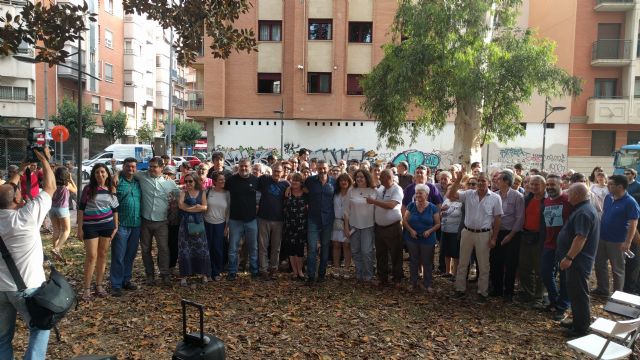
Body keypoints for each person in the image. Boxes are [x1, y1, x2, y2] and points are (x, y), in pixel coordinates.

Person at [0, 148, 54, 359]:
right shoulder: (27, 217)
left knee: (2, 338)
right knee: (40, 329)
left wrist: (21, 168)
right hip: (26, 288)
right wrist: (44, 160)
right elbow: (50, 187)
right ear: (16, 200)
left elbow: (7, 192)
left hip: (0, 290)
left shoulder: (19, 212)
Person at [447, 170, 502, 303]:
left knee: (483, 265)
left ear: (488, 183)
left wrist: (494, 238)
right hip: (467, 232)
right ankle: (460, 290)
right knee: (463, 263)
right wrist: (458, 180)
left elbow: (498, 218)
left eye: (484, 180)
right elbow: (450, 195)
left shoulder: (495, 198)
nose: (481, 183)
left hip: (484, 234)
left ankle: (482, 292)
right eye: (479, 181)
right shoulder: (468, 194)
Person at [557, 183, 600, 338]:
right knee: (575, 293)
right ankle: (578, 320)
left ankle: (581, 328)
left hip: (578, 261)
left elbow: (581, 237)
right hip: (577, 261)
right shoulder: (582, 208)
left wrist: (569, 257)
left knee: (579, 294)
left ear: (576, 195)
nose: (567, 195)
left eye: (569, 192)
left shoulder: (584, 212)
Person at [131, 157, 180, 286]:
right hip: (145, 220)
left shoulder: (169, 183)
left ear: (161, 168)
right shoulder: (142, 176)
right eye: (150, 166)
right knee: (146, 249)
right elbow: (127, 172)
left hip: (162, 221)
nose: (151, 169)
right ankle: (150, 275)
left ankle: (164, 275)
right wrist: (117, 174)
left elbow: (180, 195)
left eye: (154, 166)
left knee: (163, 248)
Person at [592, 174, 640, 296]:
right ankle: (602, 289)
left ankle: (617, 294)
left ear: (620, 186)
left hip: (618, 241)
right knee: (599, 264)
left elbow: (633, 223)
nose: (607, 186)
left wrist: (627, 242)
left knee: (617, 269)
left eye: (611, 184)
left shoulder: (630, 202)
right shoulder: (608, 197)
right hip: (602, 237)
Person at [78, 163, 119, 301]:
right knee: (91, 256)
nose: (100, 175)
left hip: (107, 226)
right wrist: (79, 228)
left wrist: (116, 226)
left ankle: (99, 285)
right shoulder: (88, 189)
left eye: (102, 172)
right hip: (90, 227)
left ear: (107, 173)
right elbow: (81, 208)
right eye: (97, 172)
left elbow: (114, 209)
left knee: (103, 255)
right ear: (93, 175)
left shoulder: (111, 189)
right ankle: (86, 288)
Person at [489, 171, 524, 302]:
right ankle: (497, 289)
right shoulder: (494, 195)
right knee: (495, 261)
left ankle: (508, 292)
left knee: (510, 263)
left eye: (499, 180)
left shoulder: (517, 196)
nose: (496, 181)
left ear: (506, 182)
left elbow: (520, 218)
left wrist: (510, 235)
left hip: (512, 234)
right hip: (496, 232)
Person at [541, 174, 572, 320]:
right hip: (549, 244)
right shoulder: (546, 201)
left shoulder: (568, 200)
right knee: (545, 273)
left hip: (564, 246)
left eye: (552, 184)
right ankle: (554, 299)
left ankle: (563, 306)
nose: (549, 187)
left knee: (565, 278)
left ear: (561, 185)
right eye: (547, 185)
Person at [110, 157, 141, 297]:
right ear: (123, 167)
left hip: (136, 224)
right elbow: (111, 202)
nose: (131, 169)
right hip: (121, 224)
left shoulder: (138, 182)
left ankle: (126, 279)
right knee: (118, 255)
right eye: (128, 166)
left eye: (133, 167)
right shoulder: (117, 181)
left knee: (130, 255)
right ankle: (116, 284)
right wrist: (115, 174)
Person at [367, 169, 404, 287]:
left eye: (381, 177)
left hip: (392, 227)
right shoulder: (381, 189)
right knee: (381, 254)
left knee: (395, 254)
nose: (379, 178)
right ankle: (383, 277)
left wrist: (374, 201)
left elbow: (391, 205)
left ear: (388, 177)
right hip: (380, 228)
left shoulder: (397, 189)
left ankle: (397, 278)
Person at [225, 158, 260, 280]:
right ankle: (232, 272)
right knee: (233, 247)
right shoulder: (231, 180)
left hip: (251, 220)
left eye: (246, 166)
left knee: (253, 247)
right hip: (235, 220)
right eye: (241, 166)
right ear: (238, 167)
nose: (243, 168)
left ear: (250, 167)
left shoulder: (256, 181)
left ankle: (254, 271)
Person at [403, 184, 440, 292]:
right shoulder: (411, 205)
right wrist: (411, 230)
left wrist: (429, 231)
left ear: (427, 194)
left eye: (421, 193)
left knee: (427, 262)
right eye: (417, 193)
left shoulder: (433, 207)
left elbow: (438, 224)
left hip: (428, 239)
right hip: (412, 238)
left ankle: (427, 284)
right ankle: (413, 283)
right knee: (414, 261)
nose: (418, 195)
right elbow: (404, 220)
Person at [304, 159, 335, 284]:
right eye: (320, 168)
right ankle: (311, 276)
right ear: (316, 169)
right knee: (311, 248)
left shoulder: (334, 182)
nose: (322, 170)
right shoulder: (310, 181)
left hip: (328, 219)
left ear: (328, 169)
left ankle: (322, 275)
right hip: (313, 218)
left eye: (324, 168)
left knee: (325, 247)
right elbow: (302, 190)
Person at [257, 163, 289, 281]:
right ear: (271, 171)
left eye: (279, 171)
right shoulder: (264, 179)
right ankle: (263, 269)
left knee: (276, 246)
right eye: (275, 171)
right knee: (263, 245)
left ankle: (274, 268)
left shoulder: (286, 184)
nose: (276, 173)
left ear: (282, 172)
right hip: (263, 218)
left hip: (279, 220)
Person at [177, 173, 210, 286]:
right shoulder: (183, 193)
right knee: (185, 249)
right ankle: (184, 276)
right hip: (185, 225)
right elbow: (181, 206)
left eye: (190, 181)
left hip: (198, 224)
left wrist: (189, 209)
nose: (188, 183)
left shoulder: (202, 192)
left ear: (195, 181)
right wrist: (196, 208)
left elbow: (205, 207)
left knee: (201, 248)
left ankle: (203, 274)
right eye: (186, 181)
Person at [518, 175, 546, 305]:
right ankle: (527, 293)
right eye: (531, 184)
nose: (533, 186)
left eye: (536, 184)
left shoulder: (548, 200)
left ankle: (538, 297)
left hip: (540, 238)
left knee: (540, 269)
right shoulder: (527, 198)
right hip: (526, 236)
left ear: (543, 186)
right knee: (524, 267)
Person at [345, 170, 377, 283]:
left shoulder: (374, 191)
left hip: (368, 225)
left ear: (367, 178)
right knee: (355, 251)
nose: (359, 179)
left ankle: (368, 275)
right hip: (354, 225)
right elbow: (346, 211)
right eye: (357, 177)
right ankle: (359, 274)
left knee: (367, 251)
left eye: (361, 177)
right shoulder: (351, 190)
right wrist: (346, 227)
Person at [204, 172, 230, 281]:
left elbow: (229, 211)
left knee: (218, 249)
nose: (223, 181)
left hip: (221, 224)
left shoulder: (227, 193)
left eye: (224, 179)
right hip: (207, 223)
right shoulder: (208, 191)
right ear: (214, 181)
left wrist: (227, 227)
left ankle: (217, 271)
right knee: (208, 248)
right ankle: (208, 272)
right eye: (220, 180)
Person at [283, 173, 308, 281]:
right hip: (289, 224)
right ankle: (294, 272)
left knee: (300, 248)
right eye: (293, 180)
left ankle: (300, 271)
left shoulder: (306, 194)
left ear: (301, 182)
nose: (294, 183)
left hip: (302, 225)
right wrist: (289, 187)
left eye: (297, 181)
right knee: (291, 248)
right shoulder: (287, 193)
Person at [50, 166, 77, 262]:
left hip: (52, 208)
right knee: (66, 230)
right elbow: (75, 190)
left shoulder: (52, 184)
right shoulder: (67, 185)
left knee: (56, 230)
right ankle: (56, 249)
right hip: (62, 209)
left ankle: (55, 254)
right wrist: (71, 180)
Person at [332, 173, 353, 278]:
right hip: (336, 221)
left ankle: (346, 269)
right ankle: (336, 268)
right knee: (336, 245)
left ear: (349, 181)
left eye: (346, 180)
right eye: (341, 180)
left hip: (348, 222)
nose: (343, 182)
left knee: (347, 245)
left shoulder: (352, 193)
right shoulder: (335, 193)